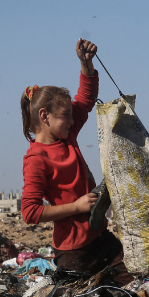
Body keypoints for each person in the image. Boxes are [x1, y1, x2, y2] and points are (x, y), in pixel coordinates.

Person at [20, 39, 123, 274]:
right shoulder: (36, 159)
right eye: (65, 115)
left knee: (133, 292)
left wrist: (86, 63)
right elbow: (30, 212)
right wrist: (76, 206)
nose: (72, 120)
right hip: (74, 251)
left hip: (101, 237)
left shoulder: (67, 135)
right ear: (45, 116)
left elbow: (85, 100)